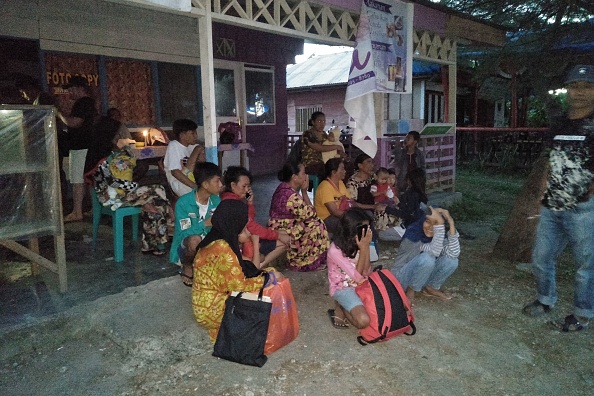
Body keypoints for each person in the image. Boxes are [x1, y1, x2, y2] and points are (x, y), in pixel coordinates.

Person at [522, 64, 594, 332]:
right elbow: (551, 160)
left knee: (586, 265)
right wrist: (543, 191)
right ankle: (545, 299)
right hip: (553, 204)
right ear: (568, 90)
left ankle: (583, 314)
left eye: (587, 87)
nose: (580, 92)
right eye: (575, 86)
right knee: (541, 257)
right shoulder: (559, 122)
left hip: (585, 207)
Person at [192, 199, 285, 343]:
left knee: (268, 272)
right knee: (271, 279)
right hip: (212, 310)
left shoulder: (216, 238)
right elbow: (239, 286)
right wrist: (269, 279)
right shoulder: (222, 249)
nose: (247, 231)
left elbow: (245, 269)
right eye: (243, 227)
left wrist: (268, 275)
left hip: (206, 304)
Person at [90, 117, 173, 256]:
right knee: (158, 192)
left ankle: (151, 244)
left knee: (156, 203)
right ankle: (166, 230)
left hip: (126, 193)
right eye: (120, 135)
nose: (124, 137)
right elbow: (110, 183)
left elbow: (127, 175)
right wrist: (135, 190)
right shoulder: (102, 159)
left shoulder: (119, 154)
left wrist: (140, 197)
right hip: (112, 198)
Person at [220, 166, 290, 268]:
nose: (247, 190)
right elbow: (251, 227)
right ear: (233, 185)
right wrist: (278, 236)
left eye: (248, 186)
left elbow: (250, 218)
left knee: (283, 233)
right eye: (244, 186)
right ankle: (258, 266)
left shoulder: (230, 198)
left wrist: (250, 202)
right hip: (243, 243)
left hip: (246, 238)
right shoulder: (233, 203)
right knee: (282, 242)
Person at [268, 162, 329, 271]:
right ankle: (301, 262)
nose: (306, 176)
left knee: (315, 223)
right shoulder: (290, 196)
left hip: (285, 225)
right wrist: (305, 192)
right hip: (283, 228)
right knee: (316, 224)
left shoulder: (285, 188)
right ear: (294, 177)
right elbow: (312, 214)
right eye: (304, 173)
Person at [391, 207, 459, 304]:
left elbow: (453, 253)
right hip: (400, 278)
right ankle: (411, 290)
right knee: (427, 258)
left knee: (452, 261)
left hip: (421, 277)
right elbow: (434, 251)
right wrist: (439, 225)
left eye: (436, 223)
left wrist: (451, 222)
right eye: (427, 221)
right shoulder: (413, 236)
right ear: (422, 220)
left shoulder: (438, 238)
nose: (431, 227)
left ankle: (430, 287)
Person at [170, 162, 222, 286]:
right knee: (194, 239)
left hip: (207, 243)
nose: (221, 185)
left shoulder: (216, 200)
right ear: (205, 184)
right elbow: (184, 233)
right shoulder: (183, 203)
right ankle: (187, 266)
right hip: (187, 246)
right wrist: (205, 224)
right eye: (217, 181)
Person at [58, 75, 98, 222]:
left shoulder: (83, 103)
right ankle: (94, 209)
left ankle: (77, 211)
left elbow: (74, 123)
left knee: (77, 180)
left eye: (71, 89)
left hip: (80, 146)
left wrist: (60, 115)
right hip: (88, 145)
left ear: (80, 88)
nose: (70, 92)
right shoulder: (90, 103)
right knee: (89, 179)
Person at [327, 208, 373, 329]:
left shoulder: (361, 242)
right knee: (363, 321)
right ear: (351, 229)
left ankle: (346, 305)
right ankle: (341, 305)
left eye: (368, 228)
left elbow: (366, 272)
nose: (366, 232)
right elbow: (357, 277)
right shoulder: (335, 250)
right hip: (343, 287)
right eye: (362, 229)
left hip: (362, 284)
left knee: (380, 312)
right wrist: (363, 249)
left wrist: (366, 247)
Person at [301, 111, 345, 180]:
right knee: (324, 169)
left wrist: (341, 152)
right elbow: (318, 148)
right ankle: (324, 189)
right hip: (311, 164)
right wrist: (336, 147)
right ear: (313, 122)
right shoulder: (308, 134)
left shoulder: (324, 134)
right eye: (319, 121)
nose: (322, 124)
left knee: (344, 166)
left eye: (324, 121)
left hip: (325, 162)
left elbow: (331, 144)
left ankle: (342, 188)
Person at [314, 158, 351, 235]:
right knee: (348, 225)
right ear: (334, 172)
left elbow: (349, 201)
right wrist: (351, 216)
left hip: (339, 214)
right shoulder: (325, 186)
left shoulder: (340, 183)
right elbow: (334, 211)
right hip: (325, 218)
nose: (345, 171)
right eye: (342, 169)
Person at [163, 118, 199, 197]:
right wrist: (195, 186)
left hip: (191, 180)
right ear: (182, 136)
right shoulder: (174, 145)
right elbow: (175, 172)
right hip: (180, 184)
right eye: (193, 133)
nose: (196, 136)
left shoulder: (190, 147)